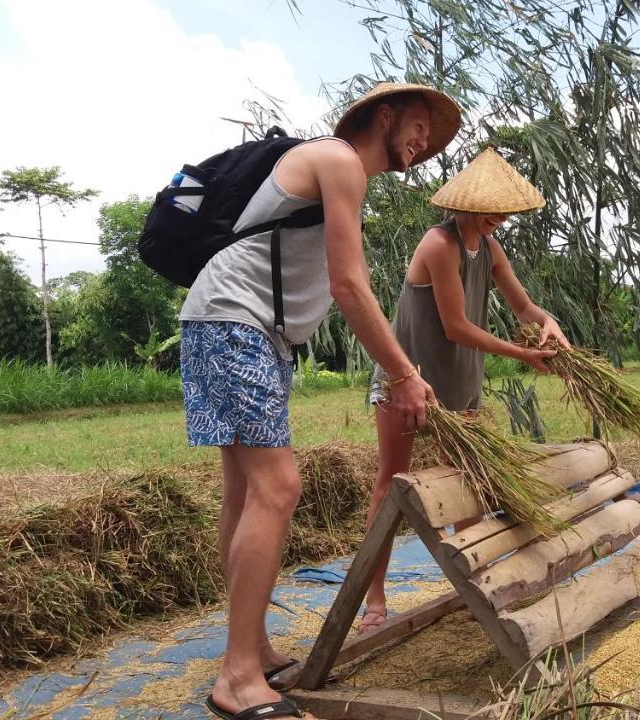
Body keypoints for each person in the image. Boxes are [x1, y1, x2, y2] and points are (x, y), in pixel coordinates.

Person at [178, 83, 460, 720]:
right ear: (383, 117)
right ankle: (239, 679)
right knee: (279, 487)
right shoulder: (337, 161)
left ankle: (251, 648)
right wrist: (405, 373)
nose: (423, 143)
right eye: (417, 127)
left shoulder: (336, 168)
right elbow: (349, 283)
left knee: (246, 492)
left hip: (237, 328)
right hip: (233, 324)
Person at [358, 147, 569, 633]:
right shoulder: (438, 244)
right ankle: (373, 599)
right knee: (391, 484)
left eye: (504, 210)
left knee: (464, 484)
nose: (500, 218)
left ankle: (476, 585)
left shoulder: (491, 249)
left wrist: (547, 323)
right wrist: (523, 356)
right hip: (407, 380)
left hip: (459, 383)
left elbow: (524, 307)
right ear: (469, 206)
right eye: (492, 209)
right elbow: (455, 327)